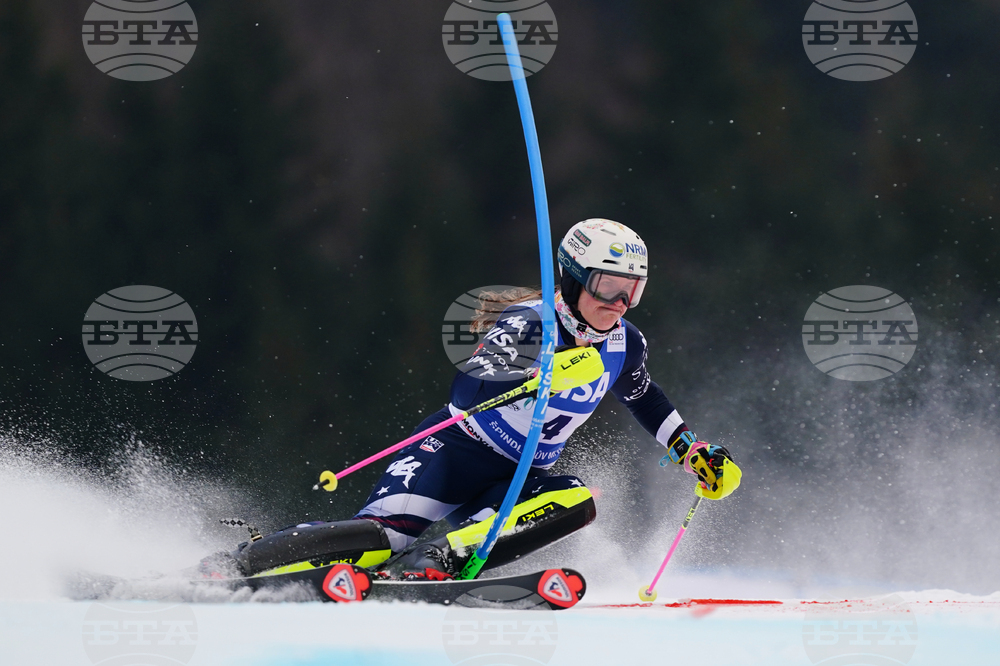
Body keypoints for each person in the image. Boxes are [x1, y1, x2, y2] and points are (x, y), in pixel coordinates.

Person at [349, 218, 742, 579]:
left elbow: (644, 399)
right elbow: (467, 390)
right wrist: (536, 377)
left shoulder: (625, 343)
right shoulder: (532, 323)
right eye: (608, 285)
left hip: (517, 480)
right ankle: (304, 554)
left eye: (632, 290)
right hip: (453, 453)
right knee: (379, 541)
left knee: (576, 501)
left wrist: (690, 450)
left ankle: (432, 563)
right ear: (575, 277)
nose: (619, 302)